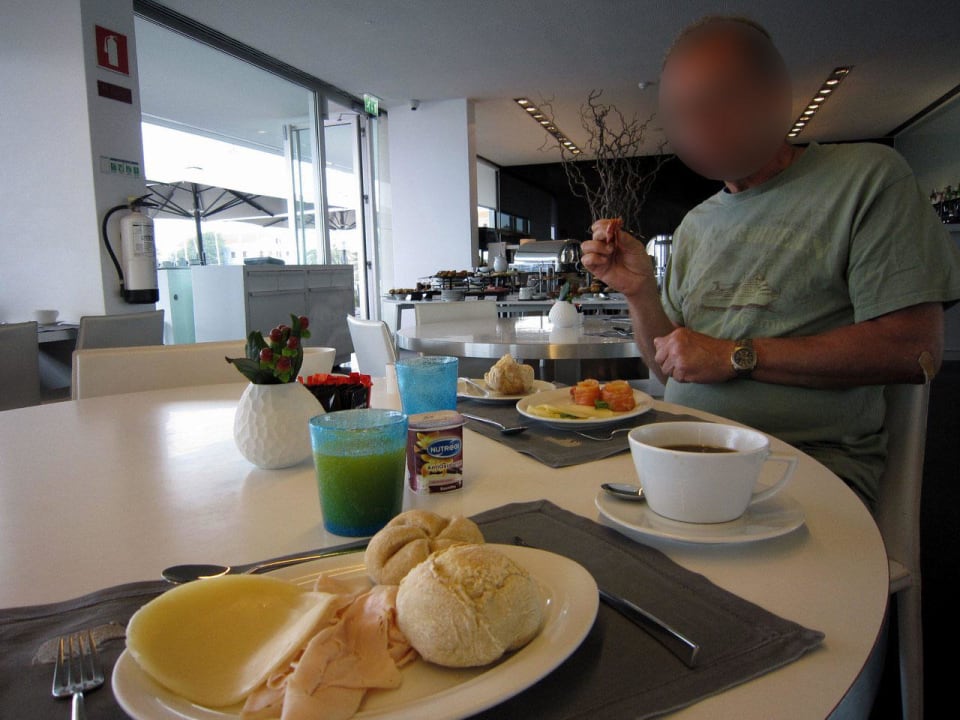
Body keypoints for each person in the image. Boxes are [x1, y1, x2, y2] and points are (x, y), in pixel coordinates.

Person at [581, 15, 960, 509]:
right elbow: (671, 371)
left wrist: (734, 356)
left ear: (776, 96)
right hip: (682, 456)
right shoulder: (696, 224)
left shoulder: (867, 178)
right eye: (680, 111)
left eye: (719, 99)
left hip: (803, 467)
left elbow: (914, 349)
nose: (697, 124)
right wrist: (639, 292)